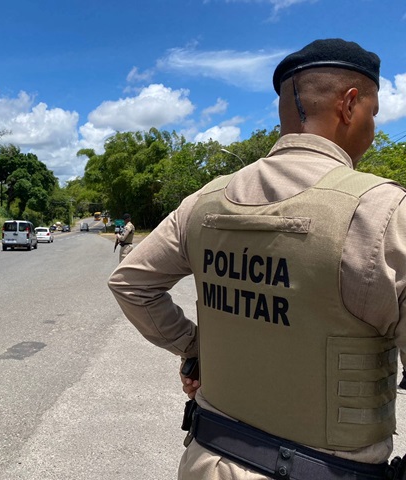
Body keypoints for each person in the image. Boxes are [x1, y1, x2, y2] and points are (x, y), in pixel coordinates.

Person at [109, 38, 406, 479]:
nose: (374, 126)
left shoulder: (204, 202)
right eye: (374, 112)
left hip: (208, 458)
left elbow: (131, 282)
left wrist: (197, 349)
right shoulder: (383, 212)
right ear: (349, 105)